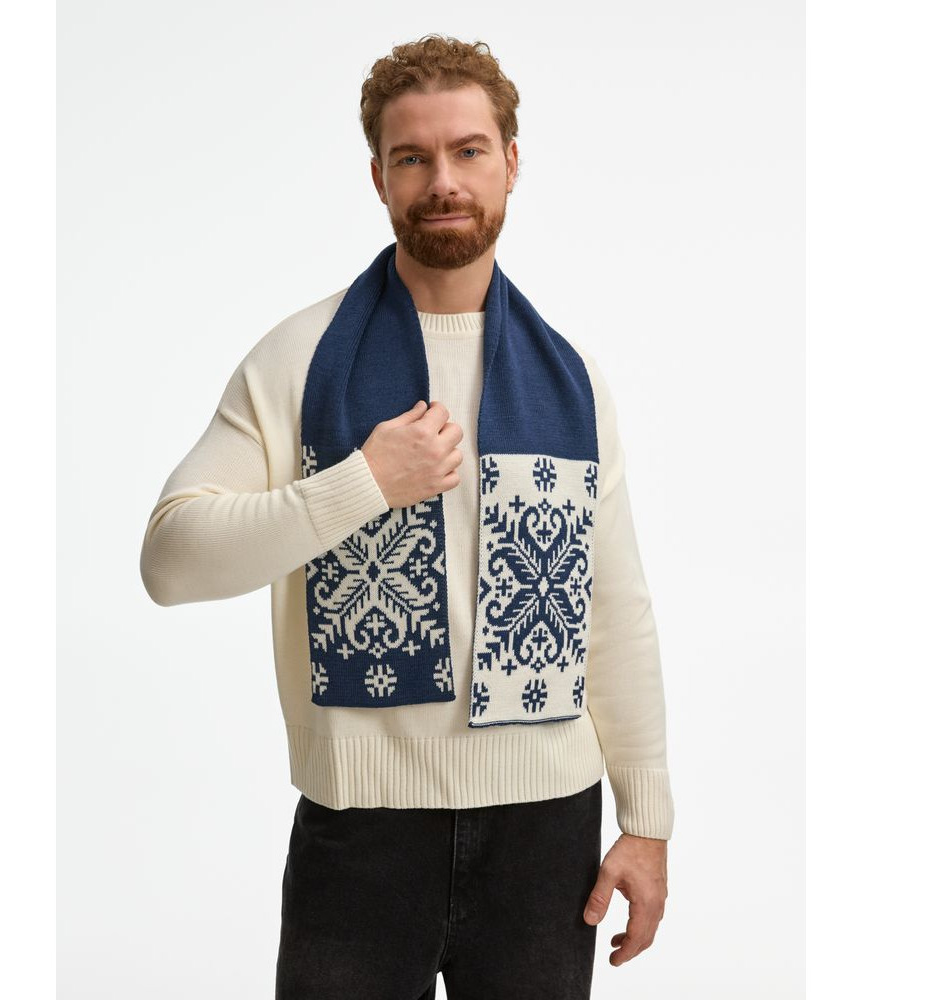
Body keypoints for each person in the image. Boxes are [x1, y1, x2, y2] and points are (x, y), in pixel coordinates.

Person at [140, 33, 674, 1000]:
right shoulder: (297, 359)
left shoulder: (571, 380)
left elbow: (615, 608)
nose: (444, 181)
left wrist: (647, 821)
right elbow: (171, 561)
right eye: (413, 157)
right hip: (362, 834)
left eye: (468, 150)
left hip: (548, 831)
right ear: (379, 177)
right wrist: (361, 484)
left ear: (511, 161)